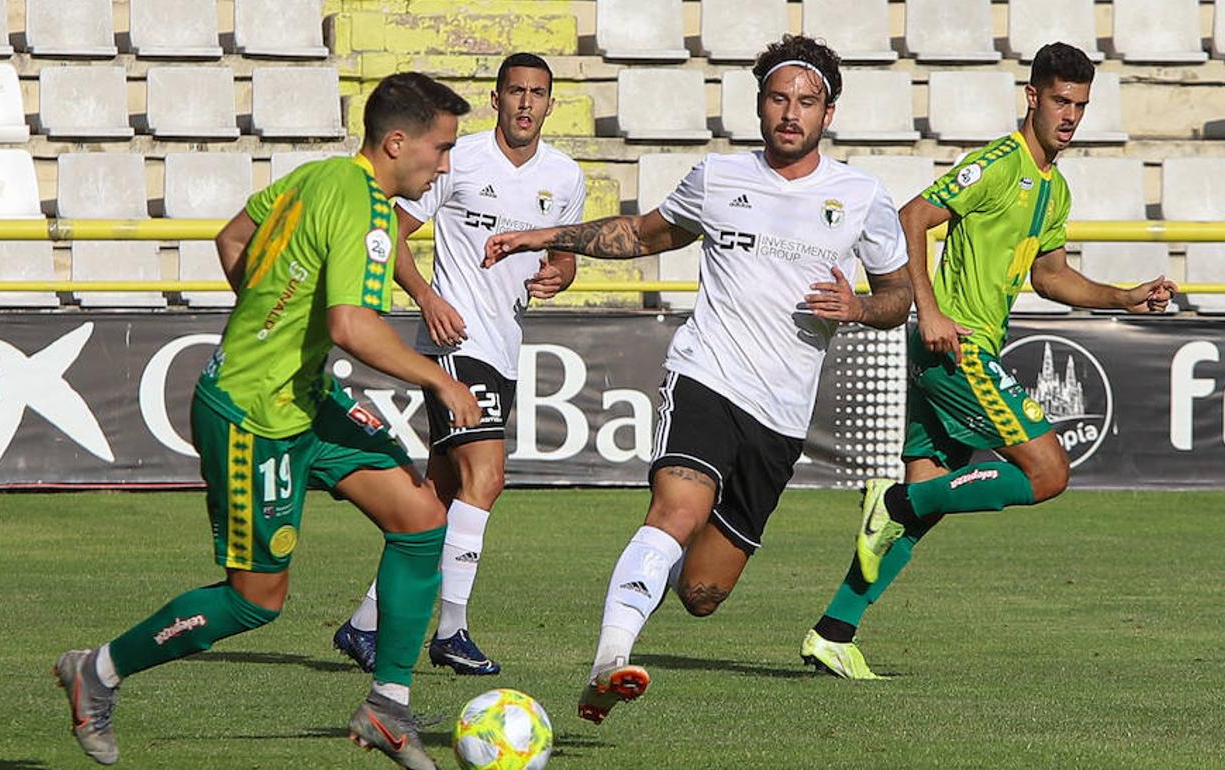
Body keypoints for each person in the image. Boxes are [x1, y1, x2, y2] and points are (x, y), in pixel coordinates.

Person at [54, 72, 480, 770]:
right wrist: (437, 377)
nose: (445, 163)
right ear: (397, 142)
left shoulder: (318, 177)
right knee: (256, 602)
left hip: (303, 397)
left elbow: (233, 237)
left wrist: (267, 320)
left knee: (421, 518)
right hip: (254, 417)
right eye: (441, 147)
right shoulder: (367, 210)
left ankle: (387, 706)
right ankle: (96, 672)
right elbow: (351, 325)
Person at [484, 34, 913, 723]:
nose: (790, 113)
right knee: (674, 513)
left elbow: (899, 297)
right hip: (707, 374)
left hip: (780, 416)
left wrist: (861, 306)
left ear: (828, 113)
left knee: (704, 592)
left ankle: (652, 577)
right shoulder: (717, 179)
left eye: (806, 101)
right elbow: (641, 235)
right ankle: (609, 658)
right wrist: (549, 236)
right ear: (759, 104)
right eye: (778, 98)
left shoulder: (862, 198)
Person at [800, 42, 1178, 679]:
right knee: (1047, 472)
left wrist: (1123, 297)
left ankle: (833, 632)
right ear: (1033, 97)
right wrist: (931, 309)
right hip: (955, 346)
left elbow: (1051, 276)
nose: (1070, 116)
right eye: (1060, 100)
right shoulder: (998, 165)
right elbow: (911, 217)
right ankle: (887, 503)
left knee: (928, 499)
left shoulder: (1054, 189)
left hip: (953, 349)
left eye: (1080, 105)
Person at [332, 52, 585, 677]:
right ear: (496, 99)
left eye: (538, 93)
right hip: (457, 342)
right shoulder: (459, 158)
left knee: (439, 498)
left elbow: (568, 254)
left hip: (505, 345)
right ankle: (452, 630)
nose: (526, 102)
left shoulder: (566, 176)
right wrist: (426, 296)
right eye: (515, 91)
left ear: (551, 104)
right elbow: (390, 225)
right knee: (487, 478)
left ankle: (365, 623)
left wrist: (559, 273)